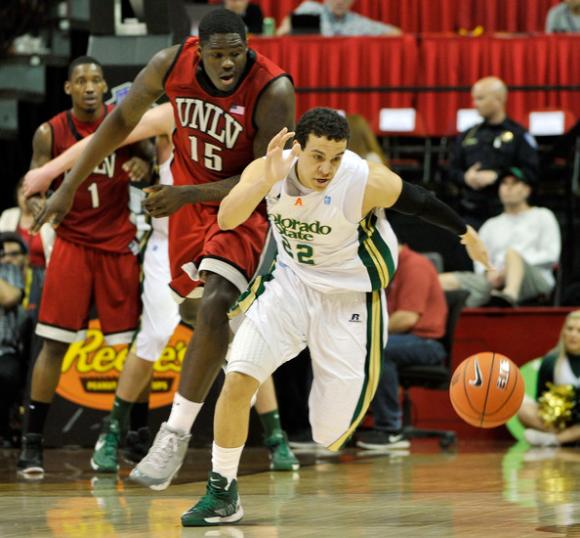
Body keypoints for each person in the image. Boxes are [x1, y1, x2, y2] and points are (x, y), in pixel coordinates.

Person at [178, 107, 490, 526]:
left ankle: (337, 402)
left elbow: (420, 201)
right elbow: (227, 217)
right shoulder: (271, 167)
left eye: (336, 157)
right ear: (297, 149)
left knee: (328, 434)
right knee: (238, 378)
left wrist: (464, 233)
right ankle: (222, 493)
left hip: (351, 299)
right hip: (290, 284)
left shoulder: (363, 180)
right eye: (318, 156)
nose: (327, 167)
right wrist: (264, 179)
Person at [31, 10, 296, 488]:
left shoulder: (273, 89)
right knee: (201, 321)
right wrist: (67, 185)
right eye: (217, 54)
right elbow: (118, 125)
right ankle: (140, 430)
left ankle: (174, 435)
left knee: (217, 305)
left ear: (248, 44)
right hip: (184, 214)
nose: (227, 63)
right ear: (199, 49)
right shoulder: (167, 67)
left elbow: (262, 178)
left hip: (241, 205)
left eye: (235, 52)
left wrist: (186, 194)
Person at [16, 56, 154, 475]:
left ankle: (135, 437)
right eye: (82, 80)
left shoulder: (125, 121)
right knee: (54, 344)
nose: (91, 86)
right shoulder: (49, 132)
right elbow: (32, 186)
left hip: (116, 245)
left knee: (135, 347)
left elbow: (149, 163)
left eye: (97, 79)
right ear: (69, 89)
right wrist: (38, 202)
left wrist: (142, 166)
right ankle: (32, 443)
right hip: (73, 244)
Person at [356, 244, 448, 450]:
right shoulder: (387, 268)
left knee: (377, 347)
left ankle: (390, 429)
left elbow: (406, 318)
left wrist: (362, 332)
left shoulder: (415, 266)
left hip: (427, 343)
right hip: (403, 338)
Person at [439, 167, 561, 307]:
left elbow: (551, 255)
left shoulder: (543, 216)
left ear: (527, 190)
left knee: (512, 255)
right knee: (441, 280)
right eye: (504, 183)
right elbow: (479, 257)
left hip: (535, 279)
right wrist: (488, 273)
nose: (508, 188)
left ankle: (508, 296)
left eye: (514, 183)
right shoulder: (491, 224)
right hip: (493, 281)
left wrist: (508, 269)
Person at [447, 76, 539, 229]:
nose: (474, 104)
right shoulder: (467, 135)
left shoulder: (519, 135)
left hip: (507, 214)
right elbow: (451, 171)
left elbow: (532, 173)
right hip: (471, 213)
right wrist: (465, 177)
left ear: (498, 99)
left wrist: (498, 176)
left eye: (480, 98)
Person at [518, 310, 580, 446]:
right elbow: (540, 398)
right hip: (561, 421)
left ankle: (555, 440)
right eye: (569, 329)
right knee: (522, 408)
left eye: (579, 331)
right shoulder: (551, 361)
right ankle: (569, 438)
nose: (573, 335)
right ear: (563, 332)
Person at [0, 233, 25, 446]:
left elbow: (10, 298)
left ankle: (3, 427)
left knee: (7, 374)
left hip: (3, 351)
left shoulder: (8, 271)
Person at [0, 178, 55, 268]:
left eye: (31, 194)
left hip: (42, 274)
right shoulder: (8, 215)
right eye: (23, 193)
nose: (26, 197)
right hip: (11, 271)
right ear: (17, 195)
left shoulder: (48, 218)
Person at [276, 0, 401, 36]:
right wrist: (286, 28)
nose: (340, 1)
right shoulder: (311, 8)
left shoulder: (358, 22)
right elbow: (285, 28)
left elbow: (396, 33)